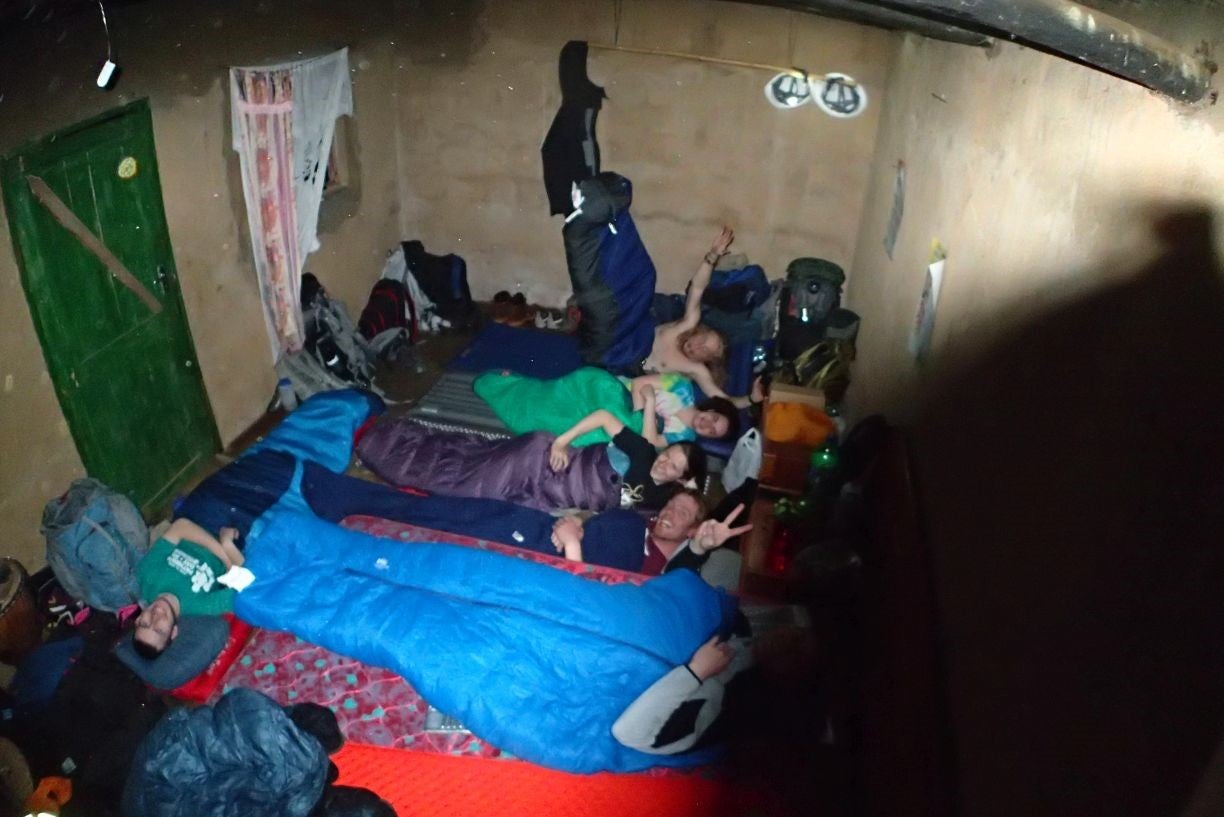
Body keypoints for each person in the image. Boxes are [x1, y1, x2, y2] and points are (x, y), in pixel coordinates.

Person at [355, 400, 706, 513]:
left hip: (548, 496)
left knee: (479, 503)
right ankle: (376, 441)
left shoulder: (661, 500)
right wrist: (562, 442)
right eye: (670, 453)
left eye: (675, 465)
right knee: (461, 482)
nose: (666, 461)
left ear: (681, 477)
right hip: (540, 459)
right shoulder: (643, 450)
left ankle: (382, 441)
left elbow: (693, 503)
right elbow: (602, 416)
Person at [641, 226, 766, 409]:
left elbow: (723, 400)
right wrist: (713, 255)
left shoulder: (695, 370)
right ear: (700, 330)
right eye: (704, 339)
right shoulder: (687, 324)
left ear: (707, 361)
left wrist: (751, 400)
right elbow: (697, 288)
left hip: (627, 366)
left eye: (705, 351)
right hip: (628, 333)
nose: (699, 346)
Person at [473, 365, 739, 448]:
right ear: (712, 409)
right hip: (613, 392)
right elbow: (638, 384)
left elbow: (649, 440)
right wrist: (636, 409)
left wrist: (648, 405)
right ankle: (503, 383)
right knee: (550, 402)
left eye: (712, 432)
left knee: (561, 430)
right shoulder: (681, 386)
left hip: (620, 423)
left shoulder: (684, 438)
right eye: (714, 419)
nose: (707, 425)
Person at [551, 492, 752, 591]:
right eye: (670, 505)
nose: (669, 512)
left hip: (554, 571)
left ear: (692, 531)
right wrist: (578, 519)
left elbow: (589, 593)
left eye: (682, 513)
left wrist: (571, 543)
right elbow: (596, 515)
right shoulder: (635, 520)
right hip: (545, 530)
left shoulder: (656, 574)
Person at [132, 519, 243, 658]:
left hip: (201, 520)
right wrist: (227, 544)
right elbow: (247, 586)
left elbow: (181, 526)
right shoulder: (199, 609)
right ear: (173, 632)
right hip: (235, 541)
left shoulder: (146, 576)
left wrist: (226, 557)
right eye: (159, 630)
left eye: (145, 624)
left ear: (138, 619)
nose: (154, 617)